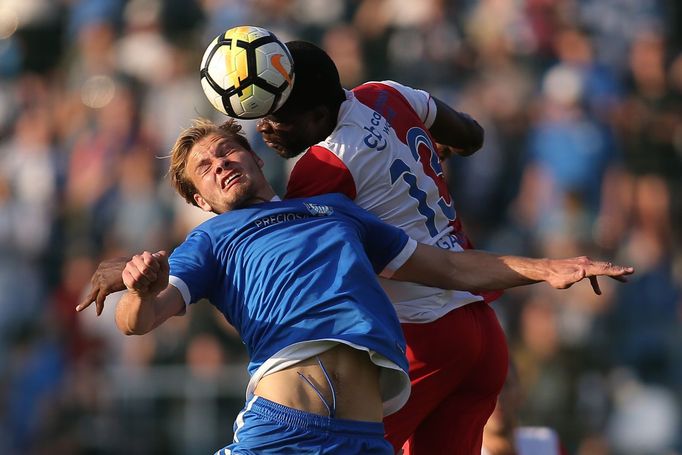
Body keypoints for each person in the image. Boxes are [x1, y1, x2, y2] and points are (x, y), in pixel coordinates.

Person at [77, 118, 634, 453]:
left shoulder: (333, 209)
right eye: (204, 167)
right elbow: (141, 321)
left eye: (227, 150)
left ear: (253, 155)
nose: (220, 163)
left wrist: (546, 269)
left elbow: (450, 269)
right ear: (200, 201)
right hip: (284, 424)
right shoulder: (213, 239)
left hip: (364, 439)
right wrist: (141, 292)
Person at [255, 40, 503, 454]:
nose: (264, 127)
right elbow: (471, 136)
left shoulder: (323, 167)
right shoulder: (385, 92)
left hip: (421, 338)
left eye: (279, 119)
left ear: (318, 116)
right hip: (482, 331)